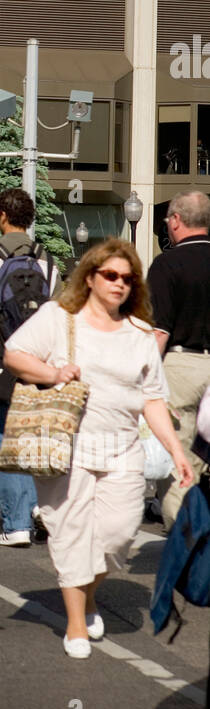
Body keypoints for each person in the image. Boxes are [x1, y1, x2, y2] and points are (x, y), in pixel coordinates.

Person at [4, 239, 193, 657]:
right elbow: (14, 355)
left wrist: (177, 452)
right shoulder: (59, 317)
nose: (119, 284)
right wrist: (53, 372)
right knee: (71, 534)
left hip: (124, 448)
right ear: (89, 278)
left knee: (118, 534)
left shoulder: (140, 333)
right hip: (68, 444)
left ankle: (87, 595)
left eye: (128, 278)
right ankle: (75, 622)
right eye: (110, 275)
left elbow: (153, 399)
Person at [0, 187, 61, 547]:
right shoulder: (48, 261)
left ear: (1, 216)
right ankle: (40, 510)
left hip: (0, 361)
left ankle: (17, 524)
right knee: (35, 439)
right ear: (31, 218)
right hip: (40, 364)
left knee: (4, 440)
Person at [146, 191, 210, 531]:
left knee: (179, 457)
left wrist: (144, 377)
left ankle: (184, 541)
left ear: (175, 221)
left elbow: (159, 330)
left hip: (181, 366)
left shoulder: (166, 265)